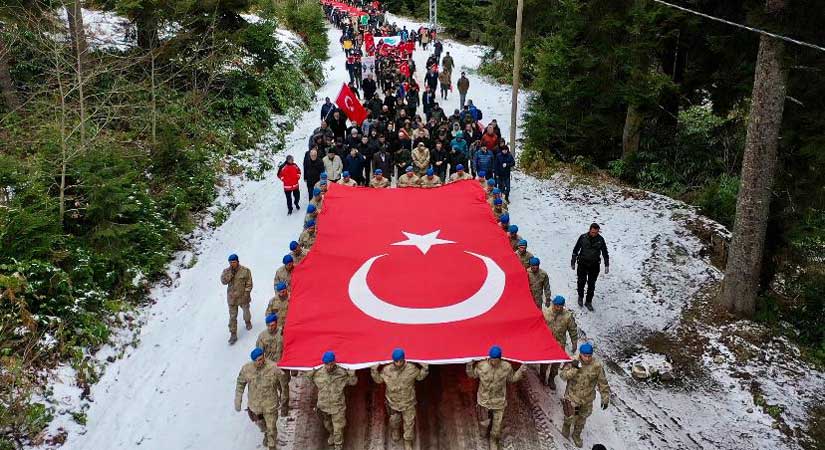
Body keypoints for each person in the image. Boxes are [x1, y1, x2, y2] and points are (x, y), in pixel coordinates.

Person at [466, 346, 527, 450]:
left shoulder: (506, 367)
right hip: (484, 401)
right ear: (489, 358)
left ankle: (493, 440)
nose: (494, 362)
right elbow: (472, 375)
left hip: (499, 402)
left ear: (500, 358)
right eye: (492, 359)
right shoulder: (481, 366)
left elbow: (512, 378)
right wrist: (469, 366)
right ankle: (484, 430)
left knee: (496, 427)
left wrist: (521, 371)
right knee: (484, 423)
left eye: (496, 360)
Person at [370, 349, 429, 450]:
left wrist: (425, 369)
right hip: (393, 403)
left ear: (404, 359)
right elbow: (379, 380)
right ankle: (395, 431)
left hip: (408, 403)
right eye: (396, 361)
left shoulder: (411, 368)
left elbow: (419, 377)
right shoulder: (387, 370)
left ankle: (408, 441)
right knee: (394, 421)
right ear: (393, 360)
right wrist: (374, 371)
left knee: (409, 423)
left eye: (401, 360)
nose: (399, 363)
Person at [560, 343, 610, 448]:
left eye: (589, 356)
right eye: (585, 355)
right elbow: (563, 376)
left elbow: (603, 383)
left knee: (582, 418)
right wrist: (574, 369)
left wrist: (605, 398)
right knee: (570, 415)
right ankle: (566, 426)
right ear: (580, 354)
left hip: (587, 399)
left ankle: (576, 434)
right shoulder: (572, 361)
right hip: (572, 396)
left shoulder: (597, 366)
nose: (587, 358)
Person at [306, 351, 358, 450]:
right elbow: (309, 379)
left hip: (338, 407)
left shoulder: (342, 373)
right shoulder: (318, 373)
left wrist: (352, 374)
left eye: (330, 364)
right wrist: (311, 371)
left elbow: (353, 382)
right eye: (326, 364)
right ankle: (332, 434)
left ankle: (338, 446)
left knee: (338, 428)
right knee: (327, 424)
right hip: (324, 406)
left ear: (334, 362)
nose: (329, 367)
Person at [235, 347, 284, 450]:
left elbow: (282, 383)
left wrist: (283, 396)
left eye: (262, 358)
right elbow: (240, 384)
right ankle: (266, 433)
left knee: (271, 428)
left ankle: (272, 445)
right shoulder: (246, 369)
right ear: (253, 361)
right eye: (258, 360)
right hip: (255, 406)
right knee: (262, 425)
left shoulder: (273, 368)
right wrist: (238, 400)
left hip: (270, 405)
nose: (261, 361)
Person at [540, 296, 578, 390]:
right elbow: (539, 325)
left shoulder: (567, 316)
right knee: (545, 361)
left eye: (561, 306)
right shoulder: (545, 313)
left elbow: (572, 329)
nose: (559, 308)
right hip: (547, 342)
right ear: (553, 304)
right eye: (557, 306)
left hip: (559, 343)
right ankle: (542, 375)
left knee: (556, 363)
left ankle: (551, 378)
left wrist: (574, 342)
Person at [256, 313, 290, 416]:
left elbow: (290, 347)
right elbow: (259, 353)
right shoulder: (262, 336)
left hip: (282, 366)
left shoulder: (283, 333)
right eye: (269, 325)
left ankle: (284, 406)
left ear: (276, 323)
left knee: (285, 387)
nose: (271, 327)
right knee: (274, 386)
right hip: (270, 367)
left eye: (273, 324)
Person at [571, 223, 610, 311]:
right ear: (589, 230)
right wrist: (573, 261)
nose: (594, 234)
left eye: (596, 233)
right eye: (592, 232)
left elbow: (605, 252)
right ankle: (580, 296)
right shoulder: (583, 237)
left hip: (594, 265)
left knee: (591, 284)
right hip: (582, 263)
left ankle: (588, 301)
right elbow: (576, 249)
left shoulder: (600, 240)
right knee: (581, 281)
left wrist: (607, 264)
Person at [221, 254, 253, 345]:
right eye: (230, 262)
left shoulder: (245, 271)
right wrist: (230, 274)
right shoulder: (226, 271)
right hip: (232, 298)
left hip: (243, 296)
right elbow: (223, 281)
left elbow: (249, 283)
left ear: (238, 261)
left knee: (246, 311)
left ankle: (247, 321)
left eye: (234, 262)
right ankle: (233, 334)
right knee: (232, 317)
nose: (232, 264)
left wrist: (247, 293)